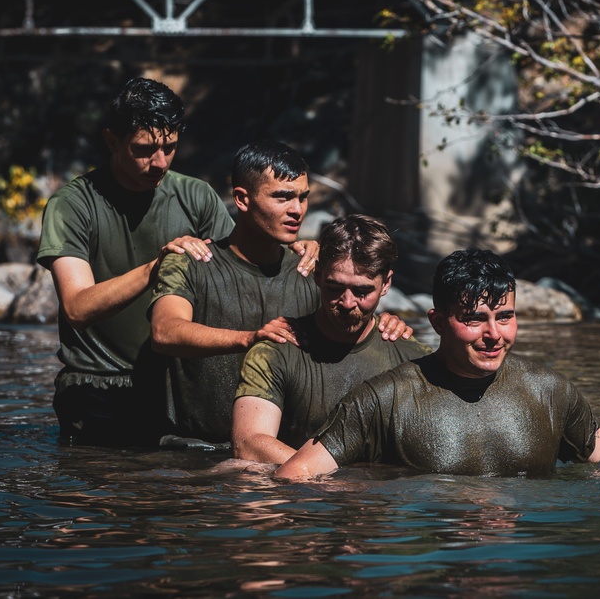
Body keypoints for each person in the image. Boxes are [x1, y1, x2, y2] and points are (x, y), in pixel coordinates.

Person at [36, 77, 313, 447]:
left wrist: (300, 249)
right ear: (111, 140)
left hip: (169, 390)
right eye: (144, 149)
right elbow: (77, 307)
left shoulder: (194, 195)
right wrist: (157, 266)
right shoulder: (72, 204)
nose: (160, 162)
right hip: (97, 386)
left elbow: (236, 268)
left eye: (170, 147)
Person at [275, 247, 600, 480]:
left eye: (505, 317)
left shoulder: (551, 392)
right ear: (438, 322)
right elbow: (292, 477)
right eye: (474, 319)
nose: (494, 334)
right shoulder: (383, 399)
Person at [149, 145, 412, 446]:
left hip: (278, 459)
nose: (297, 209)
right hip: (192, 454)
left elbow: (346, 318)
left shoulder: (309, 269)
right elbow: (164, 332)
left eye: (303, 196)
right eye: (282, 197)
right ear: (242, 199)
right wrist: (250, 339)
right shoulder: (190, 262)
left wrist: (385, 327)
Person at [231, 214, 431, 463]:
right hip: (299, 494)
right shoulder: (276, 352)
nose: (347, 303)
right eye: (335, 288)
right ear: (317, 276)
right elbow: (249, 444)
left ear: (386, 284)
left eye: (362, 291)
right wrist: (326, 481)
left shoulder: (415, 360)